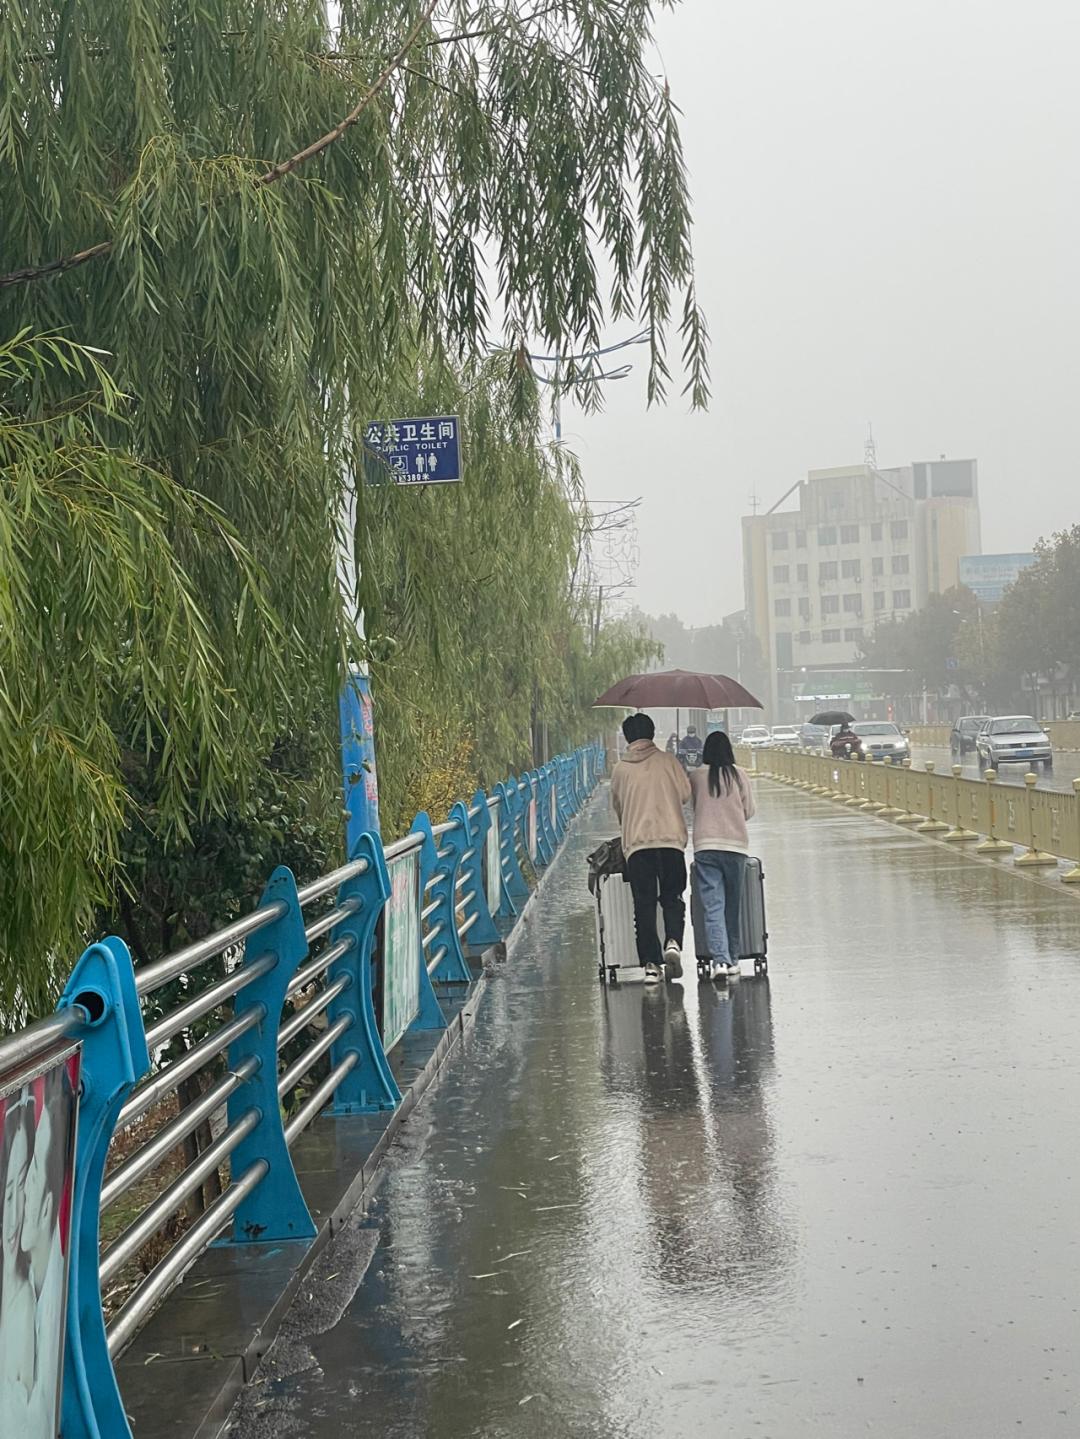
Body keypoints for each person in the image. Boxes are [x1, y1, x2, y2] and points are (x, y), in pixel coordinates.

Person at [610, 712, 692, 983]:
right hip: (670, 841)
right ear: (652, 732)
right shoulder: (668, 761)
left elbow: (619, 807)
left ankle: (651, 966)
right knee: (672, 898)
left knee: (643, 907)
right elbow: (684, 795)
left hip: (637, 845)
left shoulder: (620, 769)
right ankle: (672, 942)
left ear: (628, 737)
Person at [689, 730, 756, 980]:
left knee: (712, 905)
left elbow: (694, 806)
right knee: (732, 905)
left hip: (706, 846)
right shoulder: (739, 775)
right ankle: (734, 959)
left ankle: (720, 960)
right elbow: (748, 810)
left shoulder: (696, 776)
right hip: (735, 846)